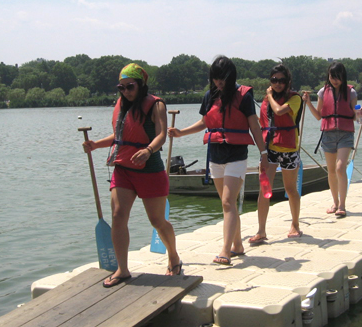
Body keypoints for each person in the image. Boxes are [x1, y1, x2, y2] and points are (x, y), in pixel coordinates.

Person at [82, 63, 182, 287]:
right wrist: (96, 145)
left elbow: (161, 136)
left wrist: (148, 151)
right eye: (122, 87)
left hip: (149, 169)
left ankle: (173, 256)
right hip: (123, 168)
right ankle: (123, 269)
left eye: (130, 87)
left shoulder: (156, 105)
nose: (126, 91)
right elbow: (120, 136)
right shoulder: (121, 105)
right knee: (118, 215)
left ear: (141, 85)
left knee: (157, 220)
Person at [168, 56, 267, 265]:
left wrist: (264, 153)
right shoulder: (209, 96)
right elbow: (205, 122)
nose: (219, 82)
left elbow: (255, 127)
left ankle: (226, 250)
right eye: (215, 78)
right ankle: (238, 245)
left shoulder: (244, 96)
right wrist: (180, 133)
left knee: (227, 202)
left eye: (222, 78)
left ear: (231, 77)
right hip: (215, 155)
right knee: (227, 204)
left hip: (236, 155)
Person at [250, 64, 304, 244]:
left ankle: (295, 224)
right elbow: (261, 122)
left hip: (288, 150)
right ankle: (261, 231)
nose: (278, 84)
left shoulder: (295, 99)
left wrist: (271, 96)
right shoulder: (266, 100)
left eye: (281, 80)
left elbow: (280, 110)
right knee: (265, 190)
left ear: (287, 82)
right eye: (274, 80)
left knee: (290, 188)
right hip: (269, 150)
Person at [302, 61, 362, 218]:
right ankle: (335, 202)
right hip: (328, 134)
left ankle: (342, 205)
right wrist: (308, 103)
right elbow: (318, 116)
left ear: (343, 77)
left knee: (340, 168)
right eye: (332, 76)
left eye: (338, 77)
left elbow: (356, 117)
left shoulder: (352, 93)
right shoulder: (323, 92)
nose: (335, 80)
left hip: (345, 133)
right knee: (331, 170)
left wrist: (359, 113)